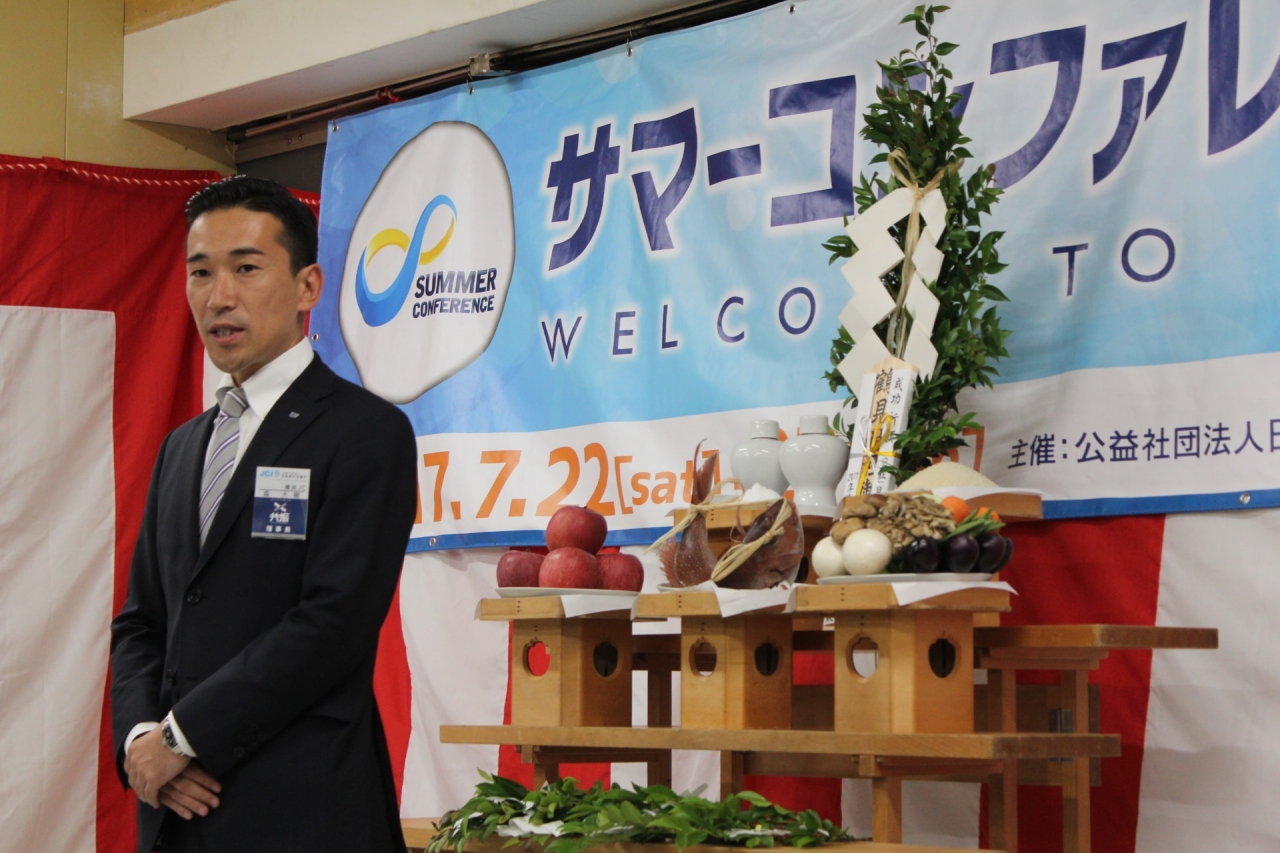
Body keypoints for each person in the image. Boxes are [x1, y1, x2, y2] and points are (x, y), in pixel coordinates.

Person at [110, 176, 418, 853]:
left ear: (308, 287)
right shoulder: (182, 446)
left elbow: (331, 623)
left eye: (246, 269)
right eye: (201, 272)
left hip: (301, 811)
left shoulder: (366, 432)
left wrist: (182, 737)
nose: (219, 296)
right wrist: (141, 741)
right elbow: (141, 621)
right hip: (174, 812)